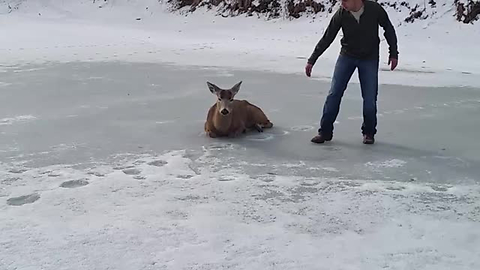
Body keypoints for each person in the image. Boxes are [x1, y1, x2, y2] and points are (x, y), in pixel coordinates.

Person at [306, 0, 399, 145]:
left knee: (369, 98)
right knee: (334, 93)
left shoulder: (374, 9)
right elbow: (328, 37)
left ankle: (368, 132)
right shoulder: (341, 14)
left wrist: (393, 53)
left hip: (369, 58)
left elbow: (388, 28)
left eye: (345, 1)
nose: (342, 4)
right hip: (347, 56)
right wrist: (312, 59)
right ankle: (324, 132)